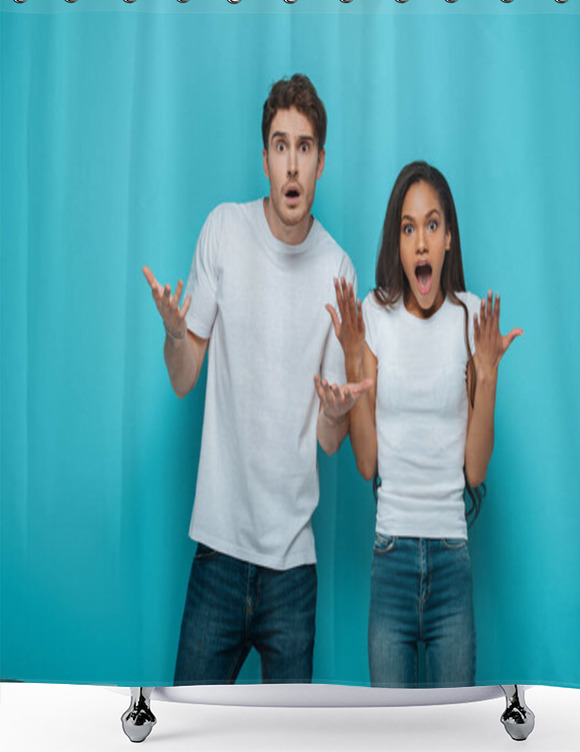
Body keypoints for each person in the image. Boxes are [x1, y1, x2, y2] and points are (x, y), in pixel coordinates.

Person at [142, 74, 370, 685]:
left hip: (293, 571)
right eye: (279, 145)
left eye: (304, 147)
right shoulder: (223, 230)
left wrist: (338, 405)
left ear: (321, 161)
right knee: (189, 730)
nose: (291, 164)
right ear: (263, 157)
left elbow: (327, 440)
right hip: (217, 552)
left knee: (285, 742)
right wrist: (174, 331)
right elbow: (185, 377)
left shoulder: (339, 270)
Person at [322, 161, 522, 688]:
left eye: (432, 225)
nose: (421, 241)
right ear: (398, 243)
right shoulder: (375, 316)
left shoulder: (470, 318)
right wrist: (352, 357)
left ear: (449, 237)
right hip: (391, 559)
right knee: (390, 735)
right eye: (408, 228)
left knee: (452, 736)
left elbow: (474, 471)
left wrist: (488, 373)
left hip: (452, 561)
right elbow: (367, 463)